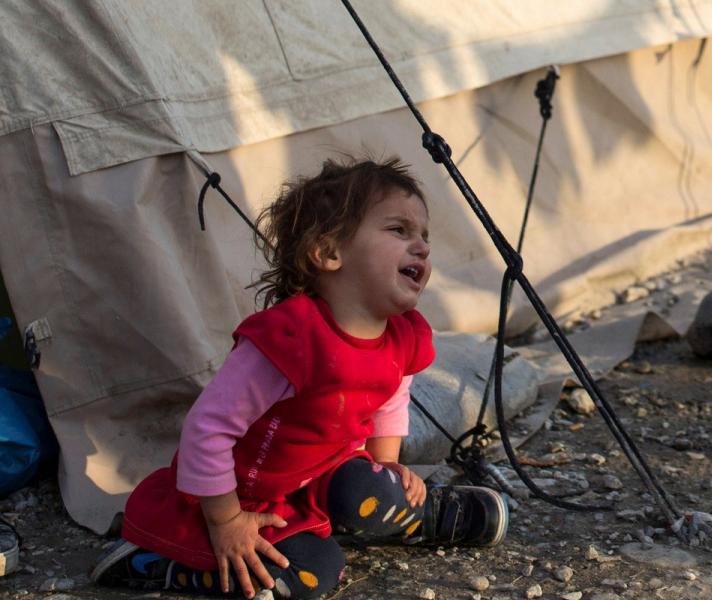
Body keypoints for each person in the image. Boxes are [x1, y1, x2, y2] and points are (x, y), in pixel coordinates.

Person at [90, 158, 507, 599]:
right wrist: (227, 522)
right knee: (316, 571)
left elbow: (390, 394)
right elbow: (206, 429)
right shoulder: (289, 339)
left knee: (373, 485)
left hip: (320, 475)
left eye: (424, 236)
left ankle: (417, 517)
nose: (421, 247)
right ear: (329, 252)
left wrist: (387, 467)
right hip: (243, 496)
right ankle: (163, 566)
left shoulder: (401, 334)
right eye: (399, 230)